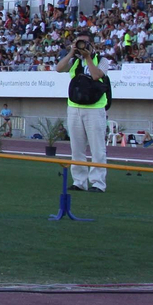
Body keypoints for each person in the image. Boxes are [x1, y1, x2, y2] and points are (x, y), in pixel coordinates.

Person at [56, 27, 110, 192]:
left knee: (97, 148)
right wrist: (72, 52)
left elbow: (96, 75)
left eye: (85, 43)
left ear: (92, 44)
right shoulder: (74, 61)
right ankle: (79, 181)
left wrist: (88, 57)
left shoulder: (102, 60)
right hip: (74, 108)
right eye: (79, 43)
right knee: (77, 148)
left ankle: (98, 183)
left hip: (95, 109)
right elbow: (59, 68)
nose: (81, 46)